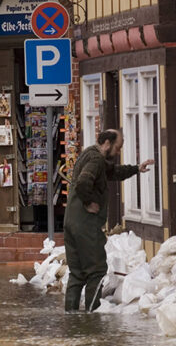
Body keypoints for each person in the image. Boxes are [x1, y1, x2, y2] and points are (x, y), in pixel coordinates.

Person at [63, 129, 154, 312]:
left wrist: (136, 168)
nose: (118, 151)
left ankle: (71, 316)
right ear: (107, 144)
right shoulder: (96, 160)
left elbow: (113, 172)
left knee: (77, 273)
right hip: (86, 225)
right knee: (96, 270)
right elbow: (83, 182)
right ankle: (91, 317)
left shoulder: (89, 154)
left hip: (71, 223)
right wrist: (89, 202)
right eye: (118, 147)